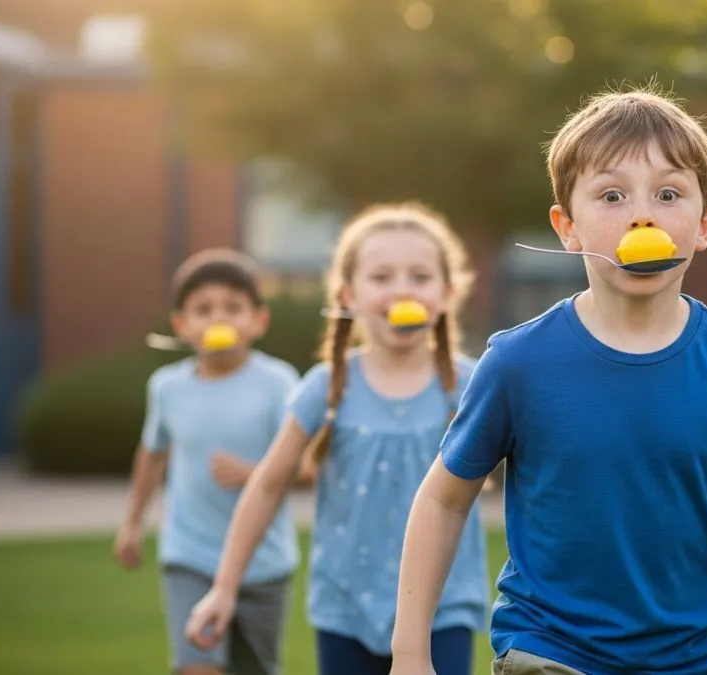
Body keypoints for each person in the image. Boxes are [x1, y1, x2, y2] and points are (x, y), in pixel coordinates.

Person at [390, 85, 707, 675]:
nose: (643, 215)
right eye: (611, 195)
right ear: (568, 227)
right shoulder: (517, 361)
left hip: (697, 661)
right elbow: (443, 498)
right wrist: (410, 653)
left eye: (668, 194)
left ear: (705, 223)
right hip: (549, 651)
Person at [185, 203, 489, 675]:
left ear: (447, 293)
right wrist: (225, 587)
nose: (403, 289)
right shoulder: (326, 387)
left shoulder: (473, 386)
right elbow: (267, 485)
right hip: (345, 610)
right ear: (348, 294)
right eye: (382, 276)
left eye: (420, 276)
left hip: (443, 607)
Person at [113, 248, 302, 675]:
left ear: (259, 321)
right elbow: (152, 454)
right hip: (189, 555)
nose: (218, 319)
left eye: (233, 308)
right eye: (203, 309)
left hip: (264, 563)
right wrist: (131, 523)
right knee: (198, 666)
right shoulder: (166, 388)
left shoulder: (279, 383)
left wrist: (255, 474)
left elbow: (305, 468)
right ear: (181, 325)